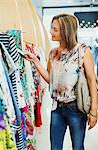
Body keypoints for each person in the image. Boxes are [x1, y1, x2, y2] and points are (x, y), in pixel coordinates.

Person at [25, 14, 98, 150]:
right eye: (52, 28)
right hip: (57, 108)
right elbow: (50, 79)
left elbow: (92, 81)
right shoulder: (53, 53)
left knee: (77, 147)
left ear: (66, 30)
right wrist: (35, 61)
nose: (51, 32)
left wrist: (94, 111)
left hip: (76, 108)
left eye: (55, 29)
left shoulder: (82, 51)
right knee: (55, 147)